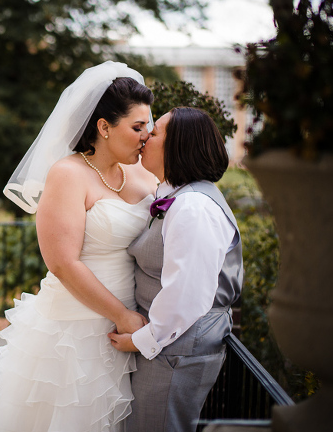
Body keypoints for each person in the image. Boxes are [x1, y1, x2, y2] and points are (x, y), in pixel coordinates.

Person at [0, 61, 159, 432]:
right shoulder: (68, 174)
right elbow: (62, 262)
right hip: (76, 330)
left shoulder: (144, 172)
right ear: (104, 127)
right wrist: (121, 315)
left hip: (135, 323)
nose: (146, 136)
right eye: (137, 127)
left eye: (149, 126)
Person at [108, 107, 244, 432]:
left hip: (176, 349)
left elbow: (188, 293)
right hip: (171, 346)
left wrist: (141, 340)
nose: (145, 137)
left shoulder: (193, 206)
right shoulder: (180, 196)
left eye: (154, 132)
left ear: (178, 146)